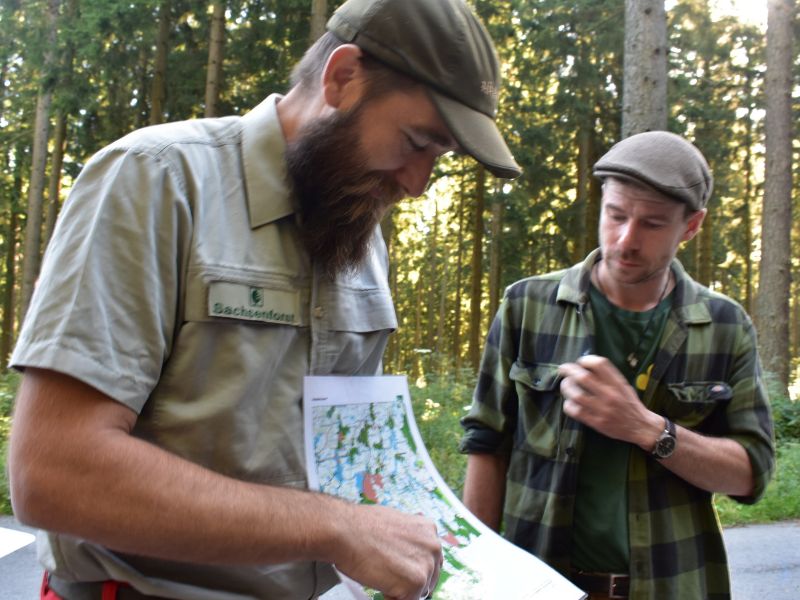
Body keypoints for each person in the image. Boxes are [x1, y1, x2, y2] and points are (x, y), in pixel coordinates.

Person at [8, 0, 521, 599]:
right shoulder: (156, 180)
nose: (416, 184)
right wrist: (335, 529)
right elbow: (53, 473)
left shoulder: (358, 228)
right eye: (416, 142)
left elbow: (352, 463)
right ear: (343, 76)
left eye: (440, 159)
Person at [460, 131, 774, 599]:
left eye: (651, 223)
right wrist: (474, 576)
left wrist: (648, 429)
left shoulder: (725, 325)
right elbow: (487, 443)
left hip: (673, 585)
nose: (626, 240)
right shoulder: (527, 305)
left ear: (690, 227)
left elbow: (752, 471)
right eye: (616, 215)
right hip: (538, 583)